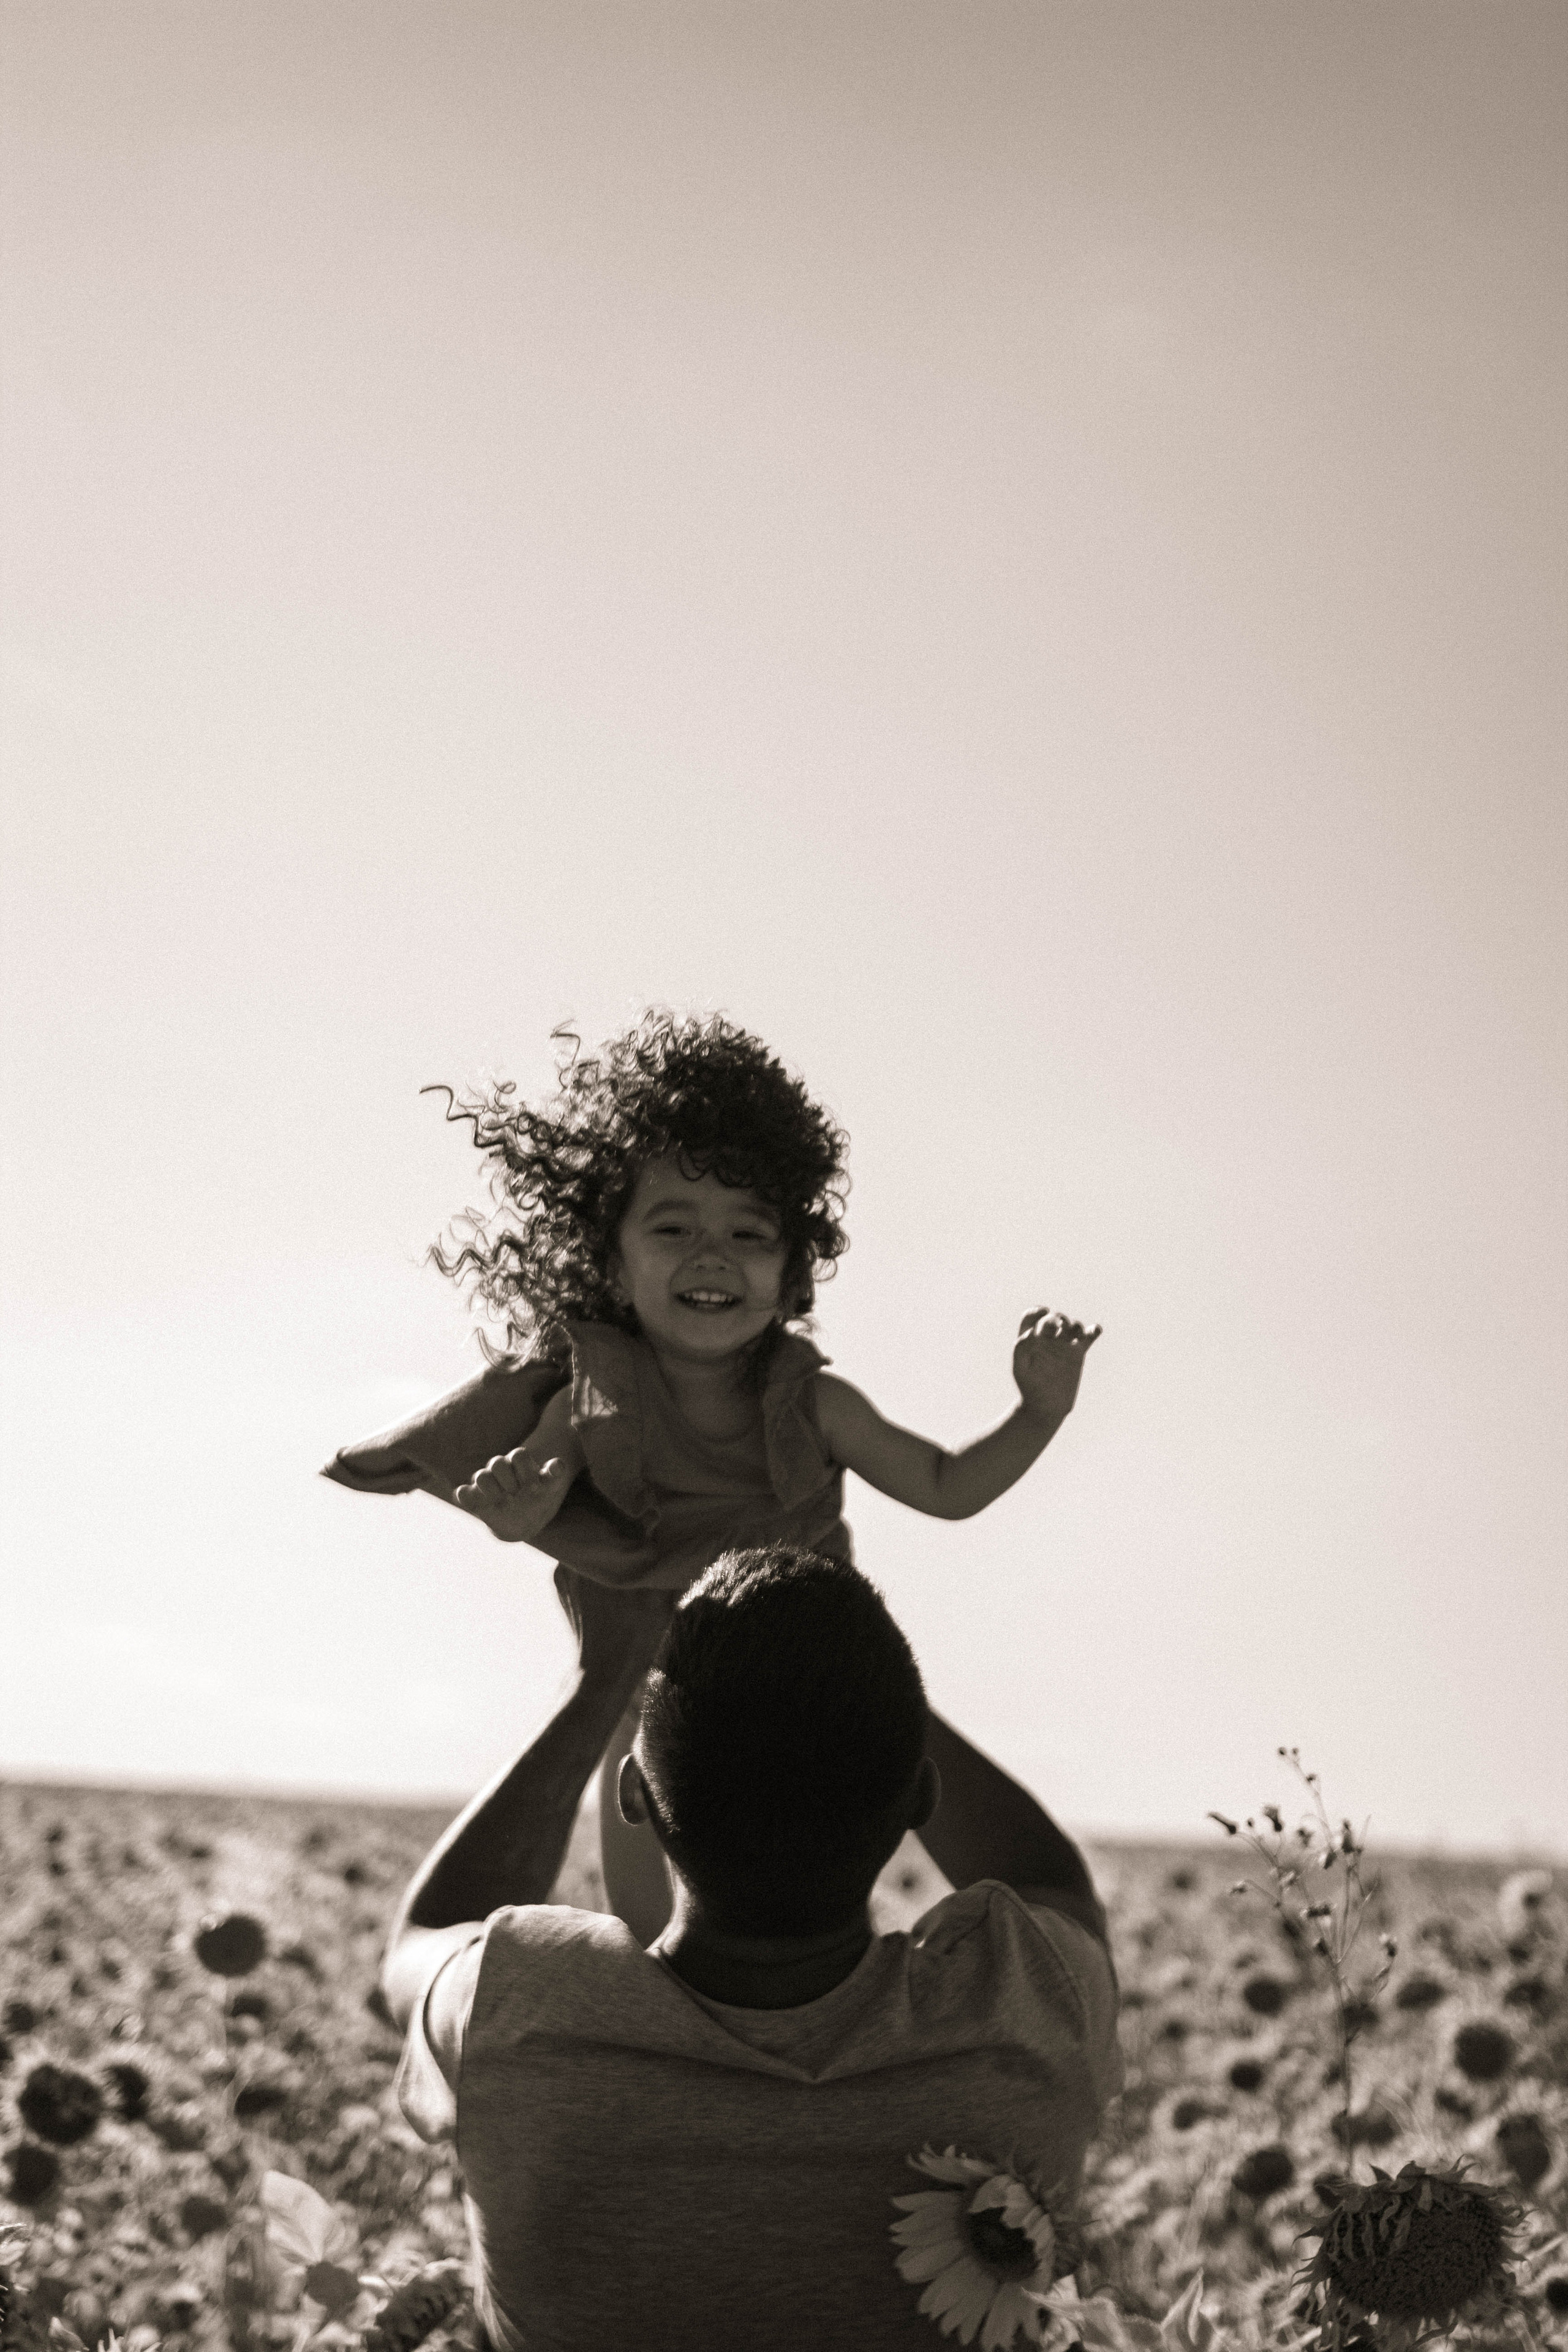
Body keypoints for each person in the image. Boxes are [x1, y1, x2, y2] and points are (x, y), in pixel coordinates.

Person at [325, 1011, 1101, 1940]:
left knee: (850, 1772)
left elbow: (947, 1487)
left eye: (749, 1231)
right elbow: (536, 1481)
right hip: (656, 1636)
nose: (712, 1254)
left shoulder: (815, 1403)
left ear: (793, 1272)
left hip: (799, 1640)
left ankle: (813, 1953)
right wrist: (515, 1510)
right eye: (673, 1225)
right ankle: (656, 1965)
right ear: (610, 1260)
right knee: (641, 1752)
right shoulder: (594, 1388)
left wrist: (1037, 1413)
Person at [383, 1545, 1122, 2352]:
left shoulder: (516, 2003)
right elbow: (1050, 1883)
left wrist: (601, 1682)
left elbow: (419, 1941)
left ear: (634, 1793)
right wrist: (856, 1662)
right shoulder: (1027, 1996)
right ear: (921, 1795)